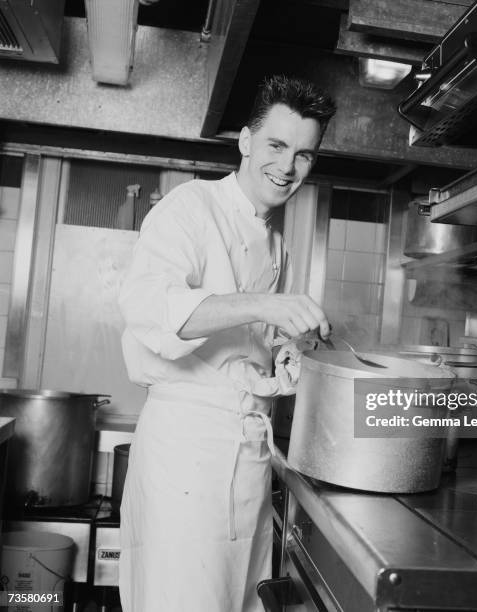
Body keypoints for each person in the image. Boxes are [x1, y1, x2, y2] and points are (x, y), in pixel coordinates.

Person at [117, 75, 337, 612]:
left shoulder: (277, 244)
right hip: (187, 454)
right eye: (276, 146)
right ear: (244, 140)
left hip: (249, 455)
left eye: (304, 155)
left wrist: (289, 349)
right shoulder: (189, 207)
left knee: (239, 600)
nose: (287, 168)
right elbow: (150, 307)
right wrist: (266, 305)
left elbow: (248, 349)